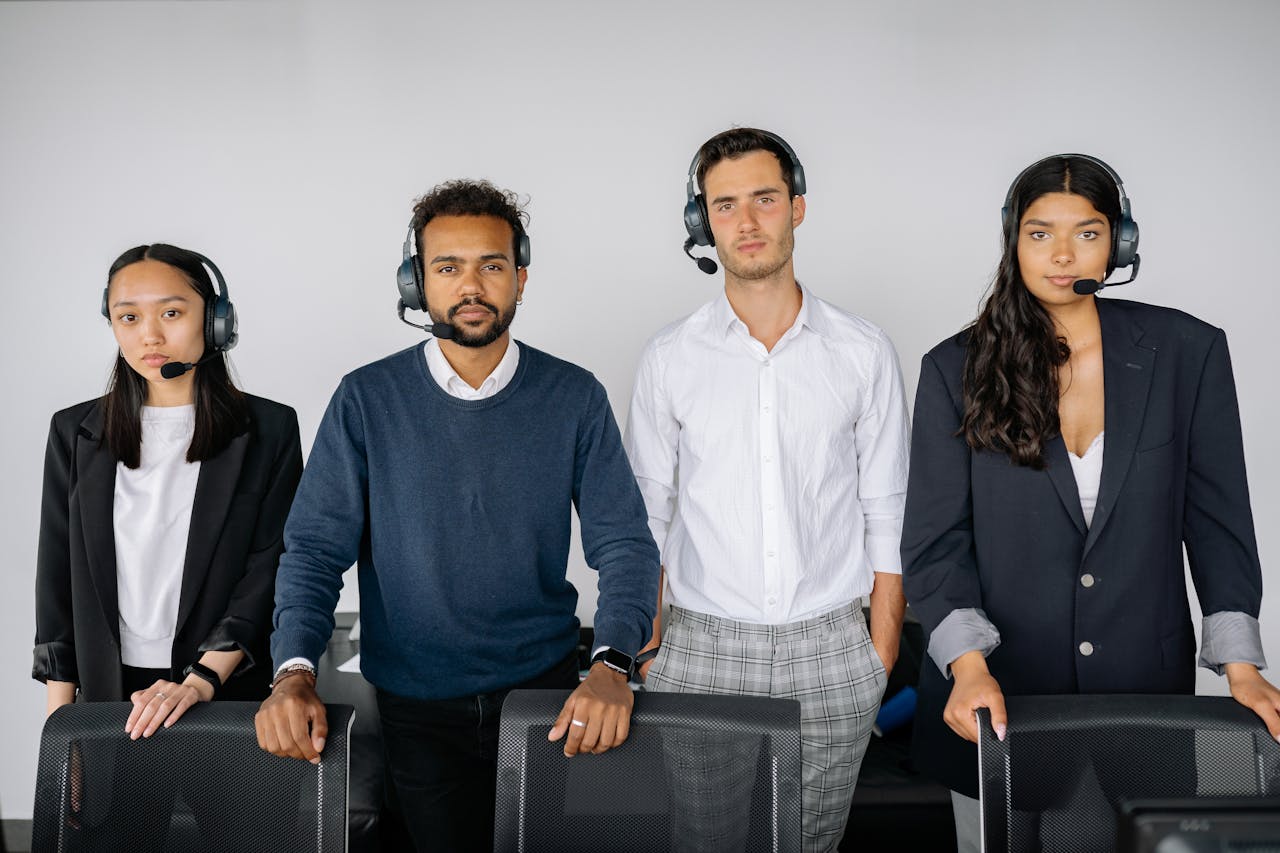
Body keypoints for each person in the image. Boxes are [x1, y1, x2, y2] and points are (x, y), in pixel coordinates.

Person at [255, 179, 660, 853]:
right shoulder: (365, 399)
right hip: (417, 709)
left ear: (520, 278)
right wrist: (292, 670)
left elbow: (625, 545)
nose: (471, 285)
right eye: (448, 267)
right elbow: (314, 551)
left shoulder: (574, 396)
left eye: (491, 265)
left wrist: (613, 666)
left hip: (547, 697)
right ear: (417, 282)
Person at [901, 153, 1280, 851]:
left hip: (1143, 698)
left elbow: (1218, 522)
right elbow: (935, 541)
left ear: (1120, 243)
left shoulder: (1186, 353)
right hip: (996, 695)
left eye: (1088, 232)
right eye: (1040, 233)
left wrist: (1242, 666)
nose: (1062, 253)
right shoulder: (953, 367)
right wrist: (968, 664)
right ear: (1014, 240)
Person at [625, 128, 911, 853]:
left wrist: (878, 647)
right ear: (704, 222)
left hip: (833, 645)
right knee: (705, 842)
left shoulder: (863, 350)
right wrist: (652, 643)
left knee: (813, 843)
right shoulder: (669, 358)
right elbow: (647, 514)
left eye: (764, 199)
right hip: (700, 649)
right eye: (725, 205)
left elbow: (888, 508)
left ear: (798, 207)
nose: (747, 222)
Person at [34, 243, 302, 727]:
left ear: (216, 321)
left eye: (172, 312)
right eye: (128, 318)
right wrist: (62, 729)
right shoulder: (74, 431)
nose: (150, 335)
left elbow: (270, 567)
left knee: (234, 809)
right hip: (108, 696)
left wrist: (200, 679)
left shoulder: (269, 428)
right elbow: (56, 581)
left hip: (222, 688)